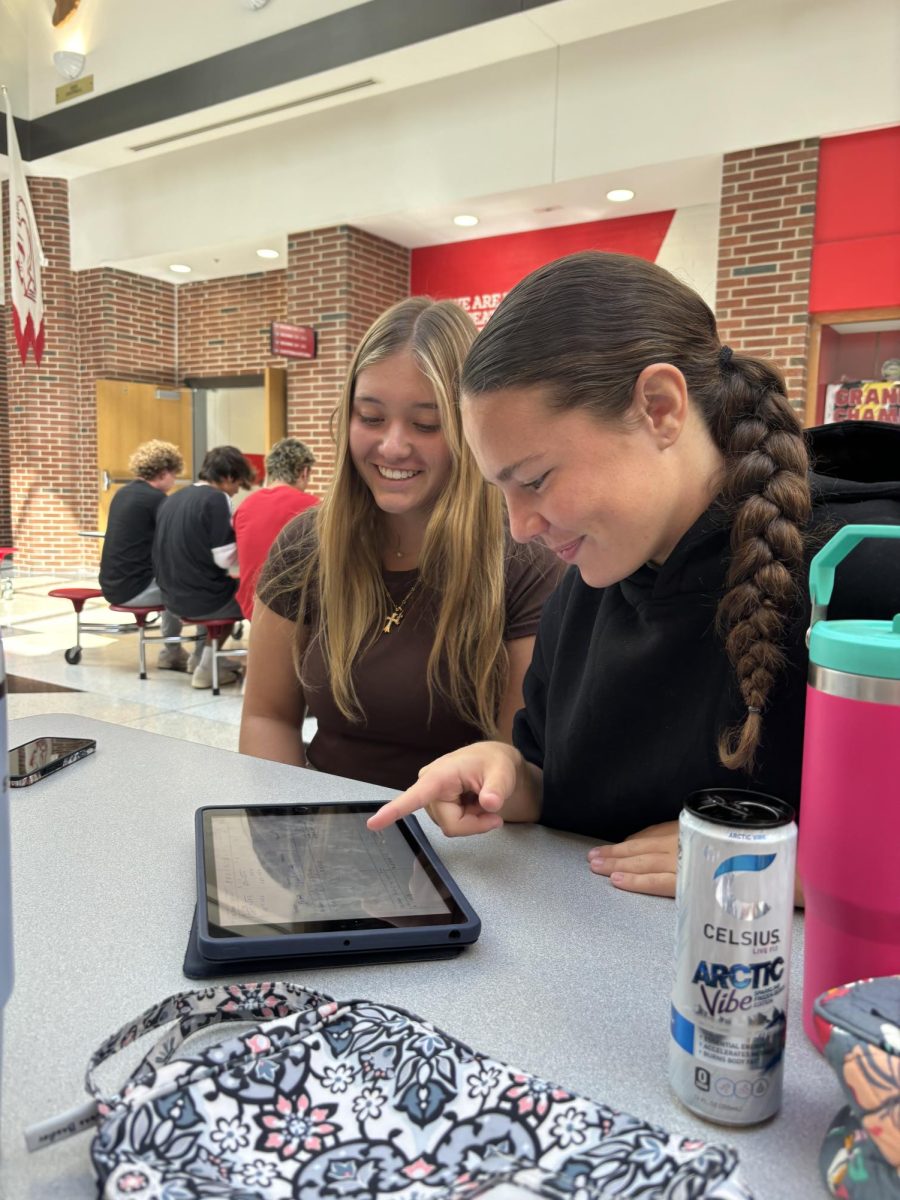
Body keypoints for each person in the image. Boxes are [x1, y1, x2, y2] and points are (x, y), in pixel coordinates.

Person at [368, 251, 900, 897]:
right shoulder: (586, 588)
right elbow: (555, 781)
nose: (519, 528)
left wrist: (777, 869)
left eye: (535, 480)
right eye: (500, 491)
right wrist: (506, 773)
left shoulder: (865, 571)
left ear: (660, 406)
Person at [239, 296, 561, 790]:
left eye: (426, 424)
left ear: (470, 428)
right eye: (370, 417)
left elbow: (520, 767)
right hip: (323, 832)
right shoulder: (306, 545)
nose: (392, 446)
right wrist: (285, 824)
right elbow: (268, 717)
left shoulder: (524, 556)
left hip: (461, 842)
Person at [153, 444, 255, 689]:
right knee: (247, 595)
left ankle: (201, 658)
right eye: (237, 484)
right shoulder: (216, 499)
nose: (235, 492)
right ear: (229, 476)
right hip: (200, 598)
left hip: (170, 596)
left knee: (216, 585)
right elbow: (223, 558)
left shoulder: (175, 497)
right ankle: (207, 669)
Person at [99, 440, 188, 670]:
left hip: (112, 584)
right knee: (190, 586)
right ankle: (176, 653)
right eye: (174, 475)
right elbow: (176, 543)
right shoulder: (156, 500)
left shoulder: (123, 494)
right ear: (163, 472)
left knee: (174, 580)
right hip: (135, 588)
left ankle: (174, 650)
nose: (174, 481)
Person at [233, 438, 318, 622]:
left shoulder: (246, 505)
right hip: (290, 612)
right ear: (304, 472)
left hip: (251, 608)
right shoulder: (312, 508)